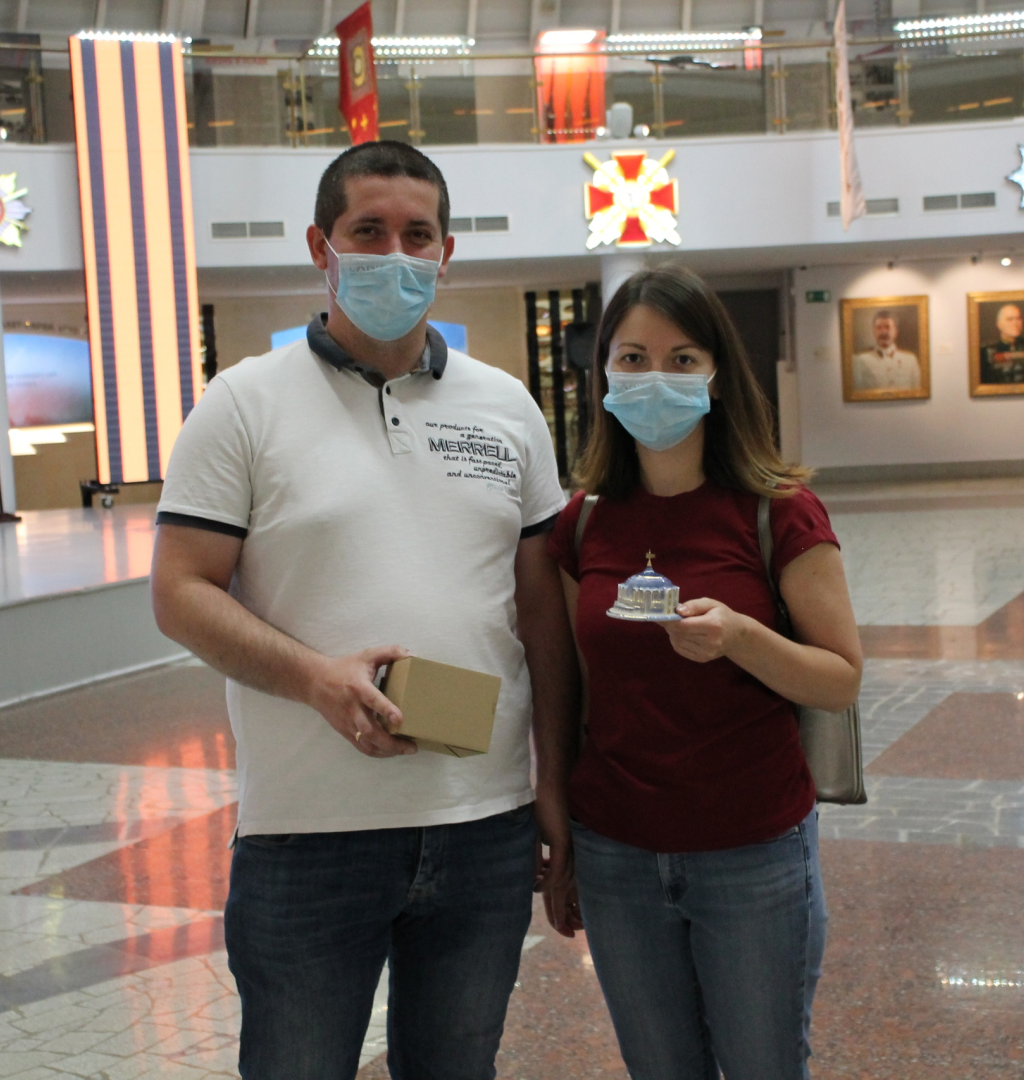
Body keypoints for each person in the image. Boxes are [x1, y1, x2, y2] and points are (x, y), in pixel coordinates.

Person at [150, 141, 579, 1080]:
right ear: (322, 246)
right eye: (369, 231)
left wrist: (554, 781)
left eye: (417, 235)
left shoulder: (507, 406)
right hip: (309, 833)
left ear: (445, 253)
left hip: (483, 822)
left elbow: (544, 618)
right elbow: (179, 592)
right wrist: (315, 679)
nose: (396, 253)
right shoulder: (243, 404)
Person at [545, 265, 865, 1080]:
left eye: (682, 359)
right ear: (604, 374)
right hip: (617, 849)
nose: (655, 378)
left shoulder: (777, 510)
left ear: (717, 376)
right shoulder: (582, 522)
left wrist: (742, 639)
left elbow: (840, 678)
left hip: (750, 849)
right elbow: (573, 691)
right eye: (633, 358)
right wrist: (561, 825)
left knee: (763, 1063)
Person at [851, 309, 921, 391]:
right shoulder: (861, 360)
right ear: (874, 331)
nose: (883, 332)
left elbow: (917, 391)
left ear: (895, 332)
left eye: (888, 327)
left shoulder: (910, 360)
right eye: (879, 328)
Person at [979, 302, 1024, 384]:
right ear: (999, 324)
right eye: (1010, 319)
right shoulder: (986, 351)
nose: (1015, 323)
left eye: (1018, 319)